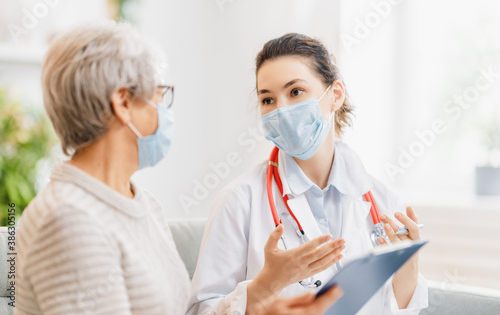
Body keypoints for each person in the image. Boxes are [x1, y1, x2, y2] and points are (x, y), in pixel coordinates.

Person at [14, 23, 342, 315]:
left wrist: (260, 303)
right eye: (161, 95)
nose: (166, 112)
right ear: (124, 103)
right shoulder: (69, 219)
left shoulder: (140, 204)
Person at [188, 33, 429, 315]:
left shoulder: (382, 199)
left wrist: (408, 269)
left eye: (295, 92)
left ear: (335, 95)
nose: (281, 110)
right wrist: (265, 286)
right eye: (268, 100)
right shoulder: (239, 201)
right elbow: (201, 311)